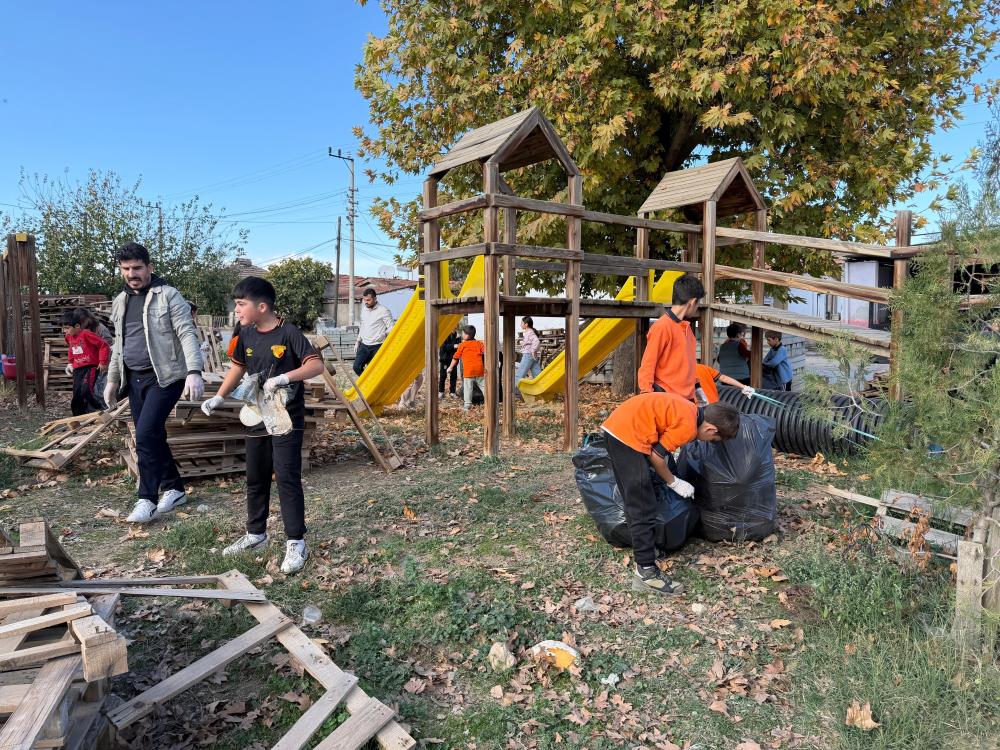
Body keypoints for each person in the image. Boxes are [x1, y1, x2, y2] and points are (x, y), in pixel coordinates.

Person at [200, 277, 325, 575]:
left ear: (262, 306)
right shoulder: (245, 334)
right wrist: (219, 397)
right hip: (255, 415)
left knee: (286, 477)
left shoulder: (289, 332)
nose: (236, 309)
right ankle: (256, 535)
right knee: (255, 477)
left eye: (241, 304)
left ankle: (296, 541)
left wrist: (285, 377)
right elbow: (238, 367)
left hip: (285, 419)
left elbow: (315, 365)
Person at [104, 242, 204, 524]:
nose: (132, 273)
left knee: (145, 434)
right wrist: (112, 380)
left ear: (150, 267)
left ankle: (146, 498)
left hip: (165, 377)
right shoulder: (120, 301)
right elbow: (118, 345)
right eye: (126, 269)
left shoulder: (169, 296)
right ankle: (174, 488)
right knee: (152, 435)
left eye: (137, 267)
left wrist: (194, 370)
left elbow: (186, 333)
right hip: (133, 378)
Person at [601, 393, 739, 595]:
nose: (709, 442)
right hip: (626, 436)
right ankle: (646, 572)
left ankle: (644, 549)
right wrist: (673, 482)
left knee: (638, 499)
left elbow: (660, 448)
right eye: (713, 439)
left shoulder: (691, 410)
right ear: (711, 428)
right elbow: (657, 458)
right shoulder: (688, 426)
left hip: (619, 428)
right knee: (642, 505)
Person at [638, 274, 707, 405]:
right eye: (698, 303)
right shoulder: (662, 327)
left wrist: (701, 397)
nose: (697, 307)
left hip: (687, 400)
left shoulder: (687, 329)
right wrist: (647, 398)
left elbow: (689, 368)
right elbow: (647, 365)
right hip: (667, 400)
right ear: (692, 302)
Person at [62, 310, 110, 415]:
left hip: (90, 367)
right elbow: (71, 348)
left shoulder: (87, 334)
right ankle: (77, 416)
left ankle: (99, 409)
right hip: (78, 368)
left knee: (86, 390)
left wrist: (102, 362)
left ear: (77, 326)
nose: (65, 331)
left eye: (67, 328)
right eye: (64, 328)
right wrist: (70, 362)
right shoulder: (68, 337)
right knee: (76, 393)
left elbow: (104, 345)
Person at [72, 307, 114, 408]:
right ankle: (88, 412)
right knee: (84, 389)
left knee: (100, 390)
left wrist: (102, 361)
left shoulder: (100, 328)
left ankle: (102, 410)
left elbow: (107, 345)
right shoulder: (79, 330)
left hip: (102, 364)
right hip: (87, 365)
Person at [353, 288, 394, 376]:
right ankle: (367, 384)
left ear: (375, 298)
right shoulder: (364, 309)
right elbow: (362, 326)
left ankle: (375, 387)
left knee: (376, 371)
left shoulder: (384, 311)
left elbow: (392, 327)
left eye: (368, 300)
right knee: (356, 367)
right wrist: (358, 341)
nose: (366, 302)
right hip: (364, 345)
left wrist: (384, 334)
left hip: (377, 346)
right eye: (364, 300)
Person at [447, 325, 486, 412]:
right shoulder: (479, 343)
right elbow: (486, 352)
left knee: (468, 388)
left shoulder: (462, 345)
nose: (461, 335)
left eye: (463, 333)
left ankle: (467, 405)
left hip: (469, 371)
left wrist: (450, 367)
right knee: (484, 386)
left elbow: (455, 358)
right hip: (479, 370)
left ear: (467, 335)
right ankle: (490, 402)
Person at [514, 316, 541, 399]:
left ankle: (516, 395)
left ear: (526, 324)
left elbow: (536, 341)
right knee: (537, 376)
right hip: (532, 356)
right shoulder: (530, 331)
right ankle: (541, 392)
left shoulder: (529, 332)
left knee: (519, 375)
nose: (520, 324)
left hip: (528, 355)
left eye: (522, 323)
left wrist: (532, 351)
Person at [438, 329, 459, 399]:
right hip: (445, 359)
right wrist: (453, 346)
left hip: (453, 359)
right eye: (453, 326)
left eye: (456, 325)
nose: (454, 327)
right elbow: (443, 347)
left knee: (454, 376)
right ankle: (441, 391)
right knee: (443, 376)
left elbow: (459, 346)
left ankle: (452, 392)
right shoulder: (444, 333)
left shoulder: (457, 335)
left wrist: (457, 346)